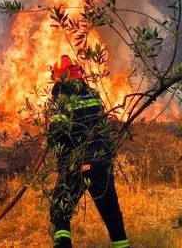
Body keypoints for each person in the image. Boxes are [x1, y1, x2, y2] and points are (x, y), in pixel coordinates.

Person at [48, 55, 129, 248]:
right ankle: (122, 245)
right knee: (111, 211)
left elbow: (59, 133)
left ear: (60, 77)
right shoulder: (93, 94)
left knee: (60, 208)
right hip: (101, 161)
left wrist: (56, 146)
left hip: (78, 161)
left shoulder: (60, 95)